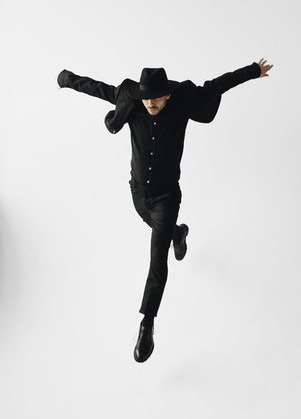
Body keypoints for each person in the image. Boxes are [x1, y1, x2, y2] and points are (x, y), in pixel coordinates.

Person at [57, 59, 273, 362]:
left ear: (168, 95)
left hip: (167, 197)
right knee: (163, 234)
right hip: (138, 194)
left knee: (157, 256)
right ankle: (178, 233)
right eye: (146, 97)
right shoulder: (132, 102)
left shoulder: (181, 103)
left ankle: (147, 324)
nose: (150, 103)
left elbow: (216, 85)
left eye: (157, 97)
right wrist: (66, 78)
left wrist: (253, 71)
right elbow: (98, 88)